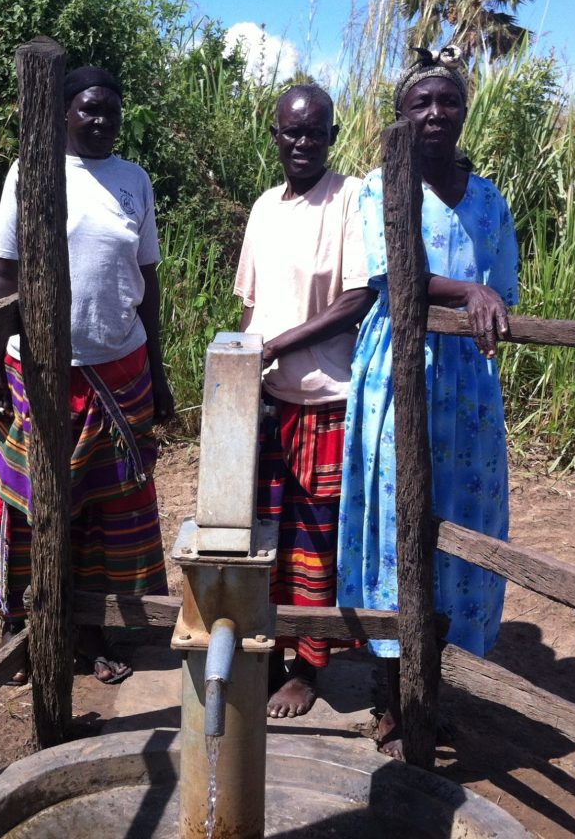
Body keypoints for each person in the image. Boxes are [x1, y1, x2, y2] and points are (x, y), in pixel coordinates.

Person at [336, 46, 519, 759]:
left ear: (464, 110)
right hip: (397, 378)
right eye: (422, 103)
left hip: (467, 391)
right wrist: (466, 292)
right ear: (402, 117)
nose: (436, 113)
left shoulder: (490, 199)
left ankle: (436, 694)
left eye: (448, 101)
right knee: (394, 527)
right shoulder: (376, 190)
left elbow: (501, 290)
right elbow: (389, 274)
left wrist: (484, 296)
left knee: (462, 528)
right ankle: (392, 697)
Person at [0, 65, 173, 684]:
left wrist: (161, 374)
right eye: (89, 108)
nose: (101, 120)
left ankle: (95, 629)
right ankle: (23, 625)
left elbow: (149, 286)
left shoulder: (133, 181)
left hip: (120, 369)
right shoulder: (29, 174)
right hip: (37, 371)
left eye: (111, 110)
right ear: (63, 112)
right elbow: (3, 274)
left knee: (107, 510)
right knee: (25, 502)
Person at [234, 83, 373, 718]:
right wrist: (248, 363)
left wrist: (280, 344)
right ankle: (266, 649)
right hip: (269, 401)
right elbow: (251, 304)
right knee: (265, 535)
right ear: (274, 134)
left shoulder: (348, 200)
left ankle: (308, 667)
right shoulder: (264, 207)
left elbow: (356, 300)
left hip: (325, 400)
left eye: (315, 132)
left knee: (316, 541)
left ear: (331, 137)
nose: (302, 142)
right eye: (292, 131)